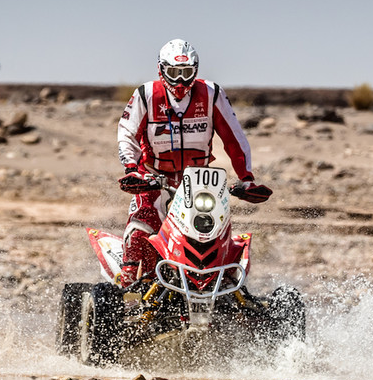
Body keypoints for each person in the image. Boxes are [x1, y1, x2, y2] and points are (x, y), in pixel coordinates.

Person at [115, 38, 272, 287]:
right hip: (153, 178)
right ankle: (125, 291)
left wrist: (247, 179)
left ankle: (226, 285)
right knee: (141, 226)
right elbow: (127, 133)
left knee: (213, 233)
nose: (180, 81)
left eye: (186, 73)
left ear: (195, 71)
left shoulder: (211, 94)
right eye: (173, 73)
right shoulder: (146, 94)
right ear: (161, 70)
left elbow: (234, 137)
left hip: (200, 180)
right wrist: (132, 170)